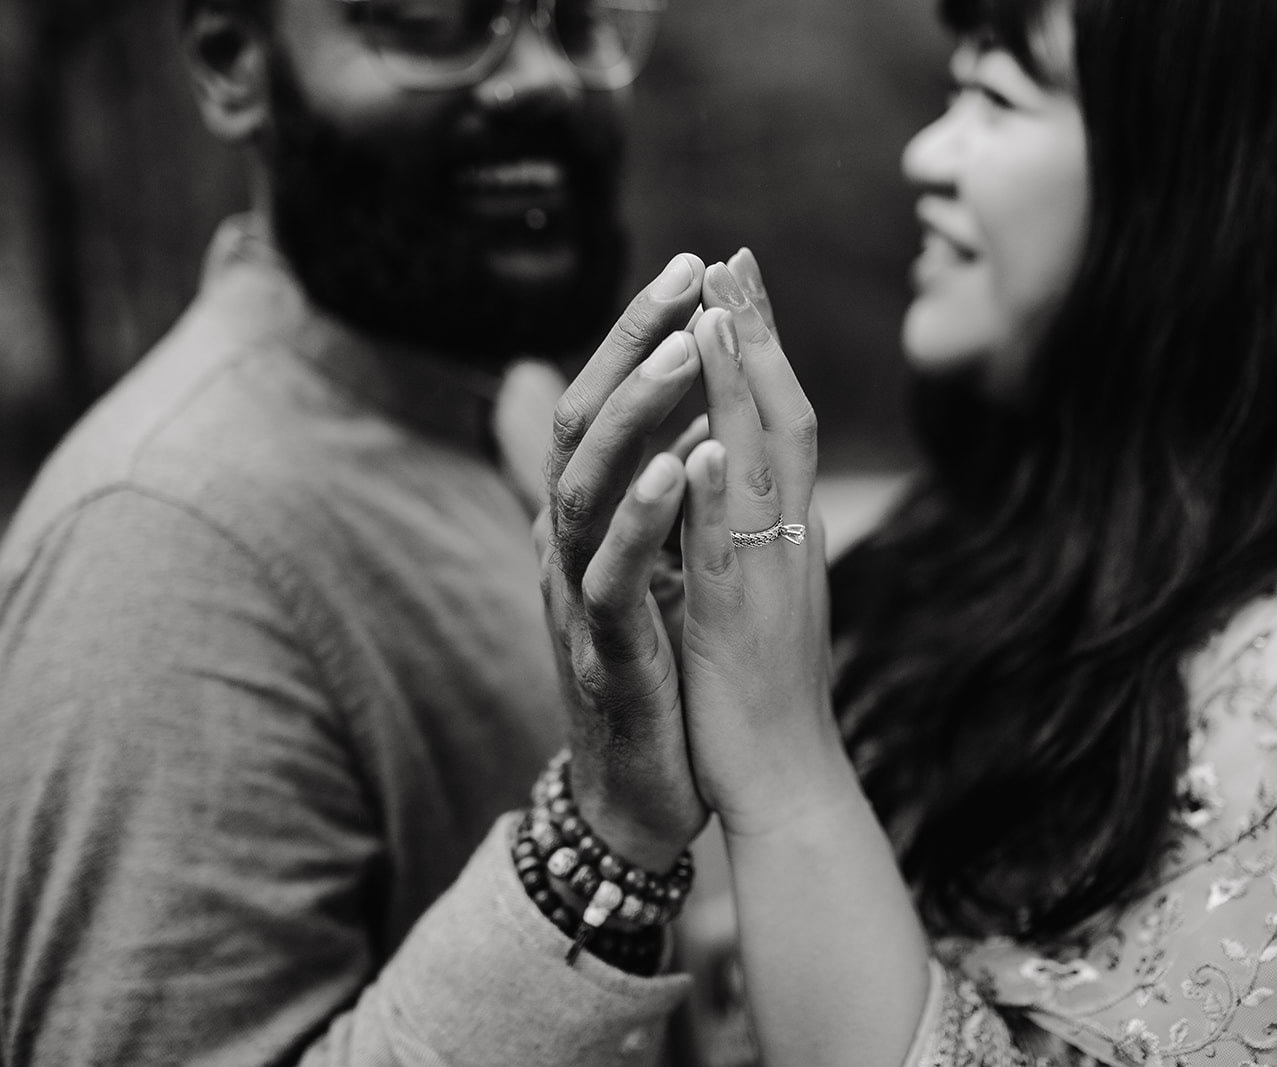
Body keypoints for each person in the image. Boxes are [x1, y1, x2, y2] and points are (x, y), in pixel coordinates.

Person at [532, 0, 1277, 1063]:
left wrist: (785, 764)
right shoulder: (1046, 545)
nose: (928, 152)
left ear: (1217, 168)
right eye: (957, 84)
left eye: (997, 95)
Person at [0, 0, 743, 1061]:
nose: (543, 76)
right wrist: (600, 845)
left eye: (579, 18)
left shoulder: (514, 408)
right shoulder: (159, 543)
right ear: (232, 64)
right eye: (437, 19)